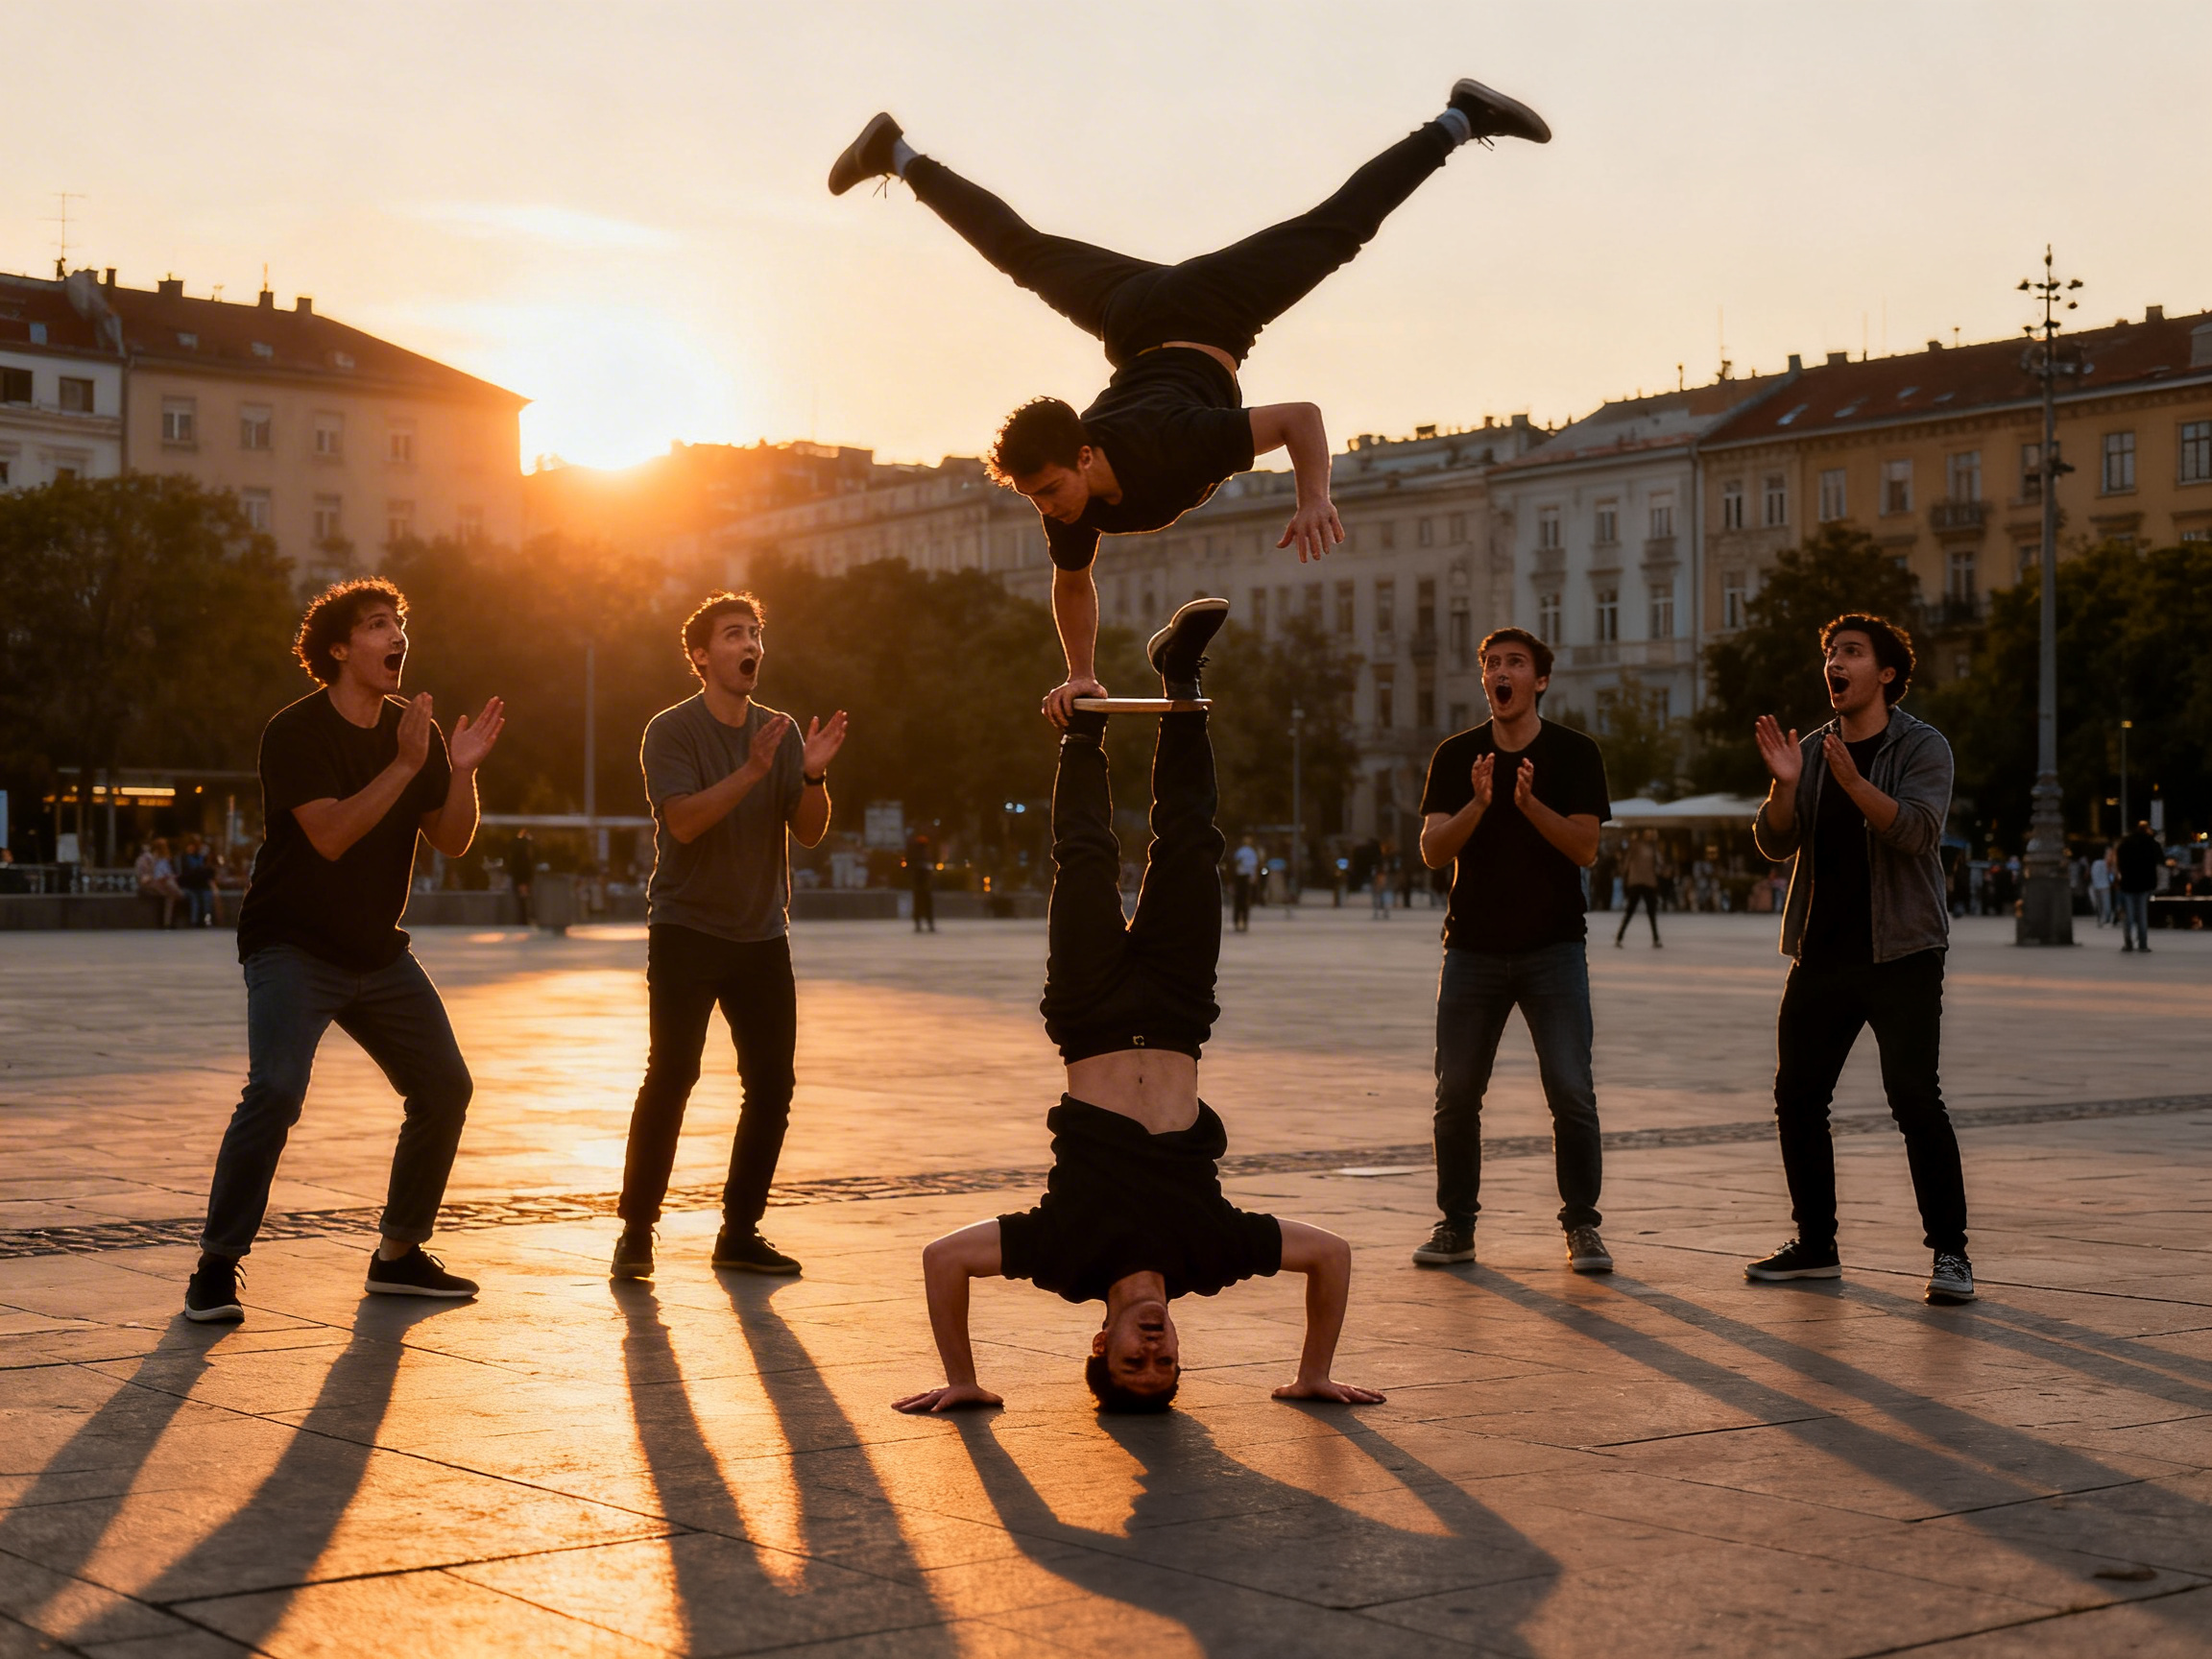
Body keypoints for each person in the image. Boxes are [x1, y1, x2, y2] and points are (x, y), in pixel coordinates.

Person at [828, 80, 1551, 723]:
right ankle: (894, 151)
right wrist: (1081, 675)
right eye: (1037, 500)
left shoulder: (1180, 443)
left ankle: (1461, 117)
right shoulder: (1073, 505)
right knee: (1018, 251)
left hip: (1209, 311)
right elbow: (1073, 587)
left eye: (1050, 490)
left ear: (1083, 454)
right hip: (1130, 316)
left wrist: (1313, 495)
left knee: (1339, 230)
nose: (1050, 509)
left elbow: (1301, 419)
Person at [896, 600, 1382, 1415]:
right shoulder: (1209, 1255)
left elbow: (943, 1259)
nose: (1153, 1352)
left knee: (1085, 854)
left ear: (1101, 1344)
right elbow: (1329, 1254)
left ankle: (1080, 726)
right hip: (1179, 1008)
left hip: (1087, 1012)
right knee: (1190, 843)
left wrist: (962, 1376)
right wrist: (1313, 1372)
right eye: (1168, 1369)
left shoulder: (1066, 1259)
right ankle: (1181, 681)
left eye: (1132, 1366)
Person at [183, 580, 505, 1323]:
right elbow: (328, 836)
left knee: (444, 1088)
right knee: (276, 1090)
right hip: (292, 945)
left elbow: (453, 839)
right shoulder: (296, 732)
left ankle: (398, 1255)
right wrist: (403, 764)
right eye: (378, 624)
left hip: (378, 954)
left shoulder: (412, 733)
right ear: (339, 648)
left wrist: (459, 770)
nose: (397, 636)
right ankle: (216, 1265)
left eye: (400, 623)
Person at [611, 592, 848, 1282]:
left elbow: (808, 830)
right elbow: (683, 822)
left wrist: (811, 773)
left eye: (755, 634)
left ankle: (740, 1231)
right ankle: (636, 1230)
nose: (751, 645)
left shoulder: (779, 732)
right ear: (702, 657)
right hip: (686, 928)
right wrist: (749, 771)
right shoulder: (671, 731)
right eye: (734, 634)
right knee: (673, 1075)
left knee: (772, 1086)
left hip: (762, 936)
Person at [1746, 613, 1973, 1306]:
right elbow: (1774, 843)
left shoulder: (1922, 746)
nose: (1834, 664)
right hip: (1821, 952)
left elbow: (1916, 831)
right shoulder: (1813, 750)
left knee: (1913, 1097)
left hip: (1902, 951)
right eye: (1830, 653)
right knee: (1797, 1098)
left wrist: (1852, 783)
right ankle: (1816, 1244)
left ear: (1887, 674)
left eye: (1851, 652)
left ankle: (1951, 1253)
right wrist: (1786, 786)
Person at [1414, 628, 1612, 1274]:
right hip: (1471, 951)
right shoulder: (1455, 755)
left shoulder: (1576, 754)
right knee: (1457, 1094)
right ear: (1486, 682)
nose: (1502, 673)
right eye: (1492, 664)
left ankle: (1582, 1225)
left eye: (1516, 664)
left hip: (1553, 950)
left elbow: (1584, 847)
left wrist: (1528, 806)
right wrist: (1480, 802)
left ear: (1540, 680)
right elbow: (1434, 849)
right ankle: (1456, 1226)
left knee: (1571, 1091)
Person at [2116, 820, 2159, 952]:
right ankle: (2143, 943)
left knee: (2129, 915)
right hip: (2144, 883)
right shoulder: (2150, 843)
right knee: (2142, 915)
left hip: (2128, 883)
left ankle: (2128, 942)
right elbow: (2156, 862)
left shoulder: (2125, 843)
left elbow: (2120, 862)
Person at [1615, 829, 1662, 948]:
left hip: (1645, 882)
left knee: (1649, 912)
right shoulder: (1637, 846)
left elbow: (1659, 862)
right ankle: (1620, 936)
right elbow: (1627, 861)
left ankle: (1655, 938)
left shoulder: (1652, 848)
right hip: (1639, 881)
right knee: (1631, 911)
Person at [135, 837, 184, 928]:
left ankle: (167, 923)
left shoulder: (163, 859)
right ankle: (180, 894)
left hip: (160, 882)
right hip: (150, 883)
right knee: (170, 891)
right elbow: (144, 877)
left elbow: (166, 872)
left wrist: (168, 876)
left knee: (170, 894)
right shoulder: (148, 858)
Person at [178, 833, 216, 927]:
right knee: (195, 900)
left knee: (207, 900)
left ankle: (207, 921)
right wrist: (200, 871)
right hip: (190, 886)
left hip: (202, 885)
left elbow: (209, 870)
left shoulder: (202, 856)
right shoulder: (184, 857)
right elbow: (187, 873)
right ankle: (194, 922)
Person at [906, 830, 937, 934]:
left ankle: (928, 922)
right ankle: (920, 923)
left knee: (924, 902)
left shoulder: (926, 852)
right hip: (920, 882)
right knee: (919, 902)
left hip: (924, 883)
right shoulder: (918, 853)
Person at [506, 828, 536, 926]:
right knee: (523, 900)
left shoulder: (517, 856)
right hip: (522, 879)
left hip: (519, 878)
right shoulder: (524, 857)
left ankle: (522, 919)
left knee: (520, 900)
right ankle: (524, 920)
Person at [1230, 835, 1260, 933]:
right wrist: (1254, 877)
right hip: (1246, 877)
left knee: (1238, 901)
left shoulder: (1240, 851)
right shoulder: (1251, 852)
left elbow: (1236, 864)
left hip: (1240, 877)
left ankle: (1236, 921)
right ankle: (1245, 922)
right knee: (1245, 901)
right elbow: (1254, 865)